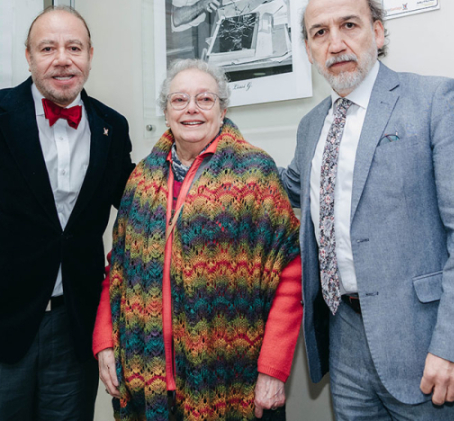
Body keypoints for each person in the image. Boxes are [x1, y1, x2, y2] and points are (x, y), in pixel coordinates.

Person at [280, 0, 454, 419]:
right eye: (320, 33)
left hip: (429, 344)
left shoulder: (436, 100)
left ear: (378, 32)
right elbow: (290, 186)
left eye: (349, 25)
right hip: (345, 343)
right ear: (309, 51)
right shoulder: (311, 126)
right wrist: (216, 140)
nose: (336, 43)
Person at [0, 5, 134, 420]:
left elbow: (137, 202)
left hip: (74, 327)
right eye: (48, 48)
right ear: (29, 57)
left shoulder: (112, 125)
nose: (63, 59)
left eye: (74, 47)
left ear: (90, 55)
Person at [93, 60, 302, 421]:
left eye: (205, 99)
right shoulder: (141, 178)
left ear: (223, 110)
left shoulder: (257, 174)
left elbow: (290, 273)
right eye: (179, 100)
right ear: (166, 112)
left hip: (232, 377)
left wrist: (273, 368)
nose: (191, 108)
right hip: (147, 379)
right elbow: (119, 269)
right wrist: (104, 341)